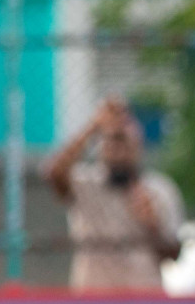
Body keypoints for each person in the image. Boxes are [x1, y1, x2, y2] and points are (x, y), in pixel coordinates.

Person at [45, 97, 184, 292]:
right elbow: (53, 173)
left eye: (125, 143)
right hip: (94, 301)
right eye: (112, 142)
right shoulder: (85, 184)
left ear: (139, 146)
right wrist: (94, 127)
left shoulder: (159, 190)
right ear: (101, 147)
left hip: (144, 301)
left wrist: (153, 227)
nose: (118, 152)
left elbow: (174, 255)